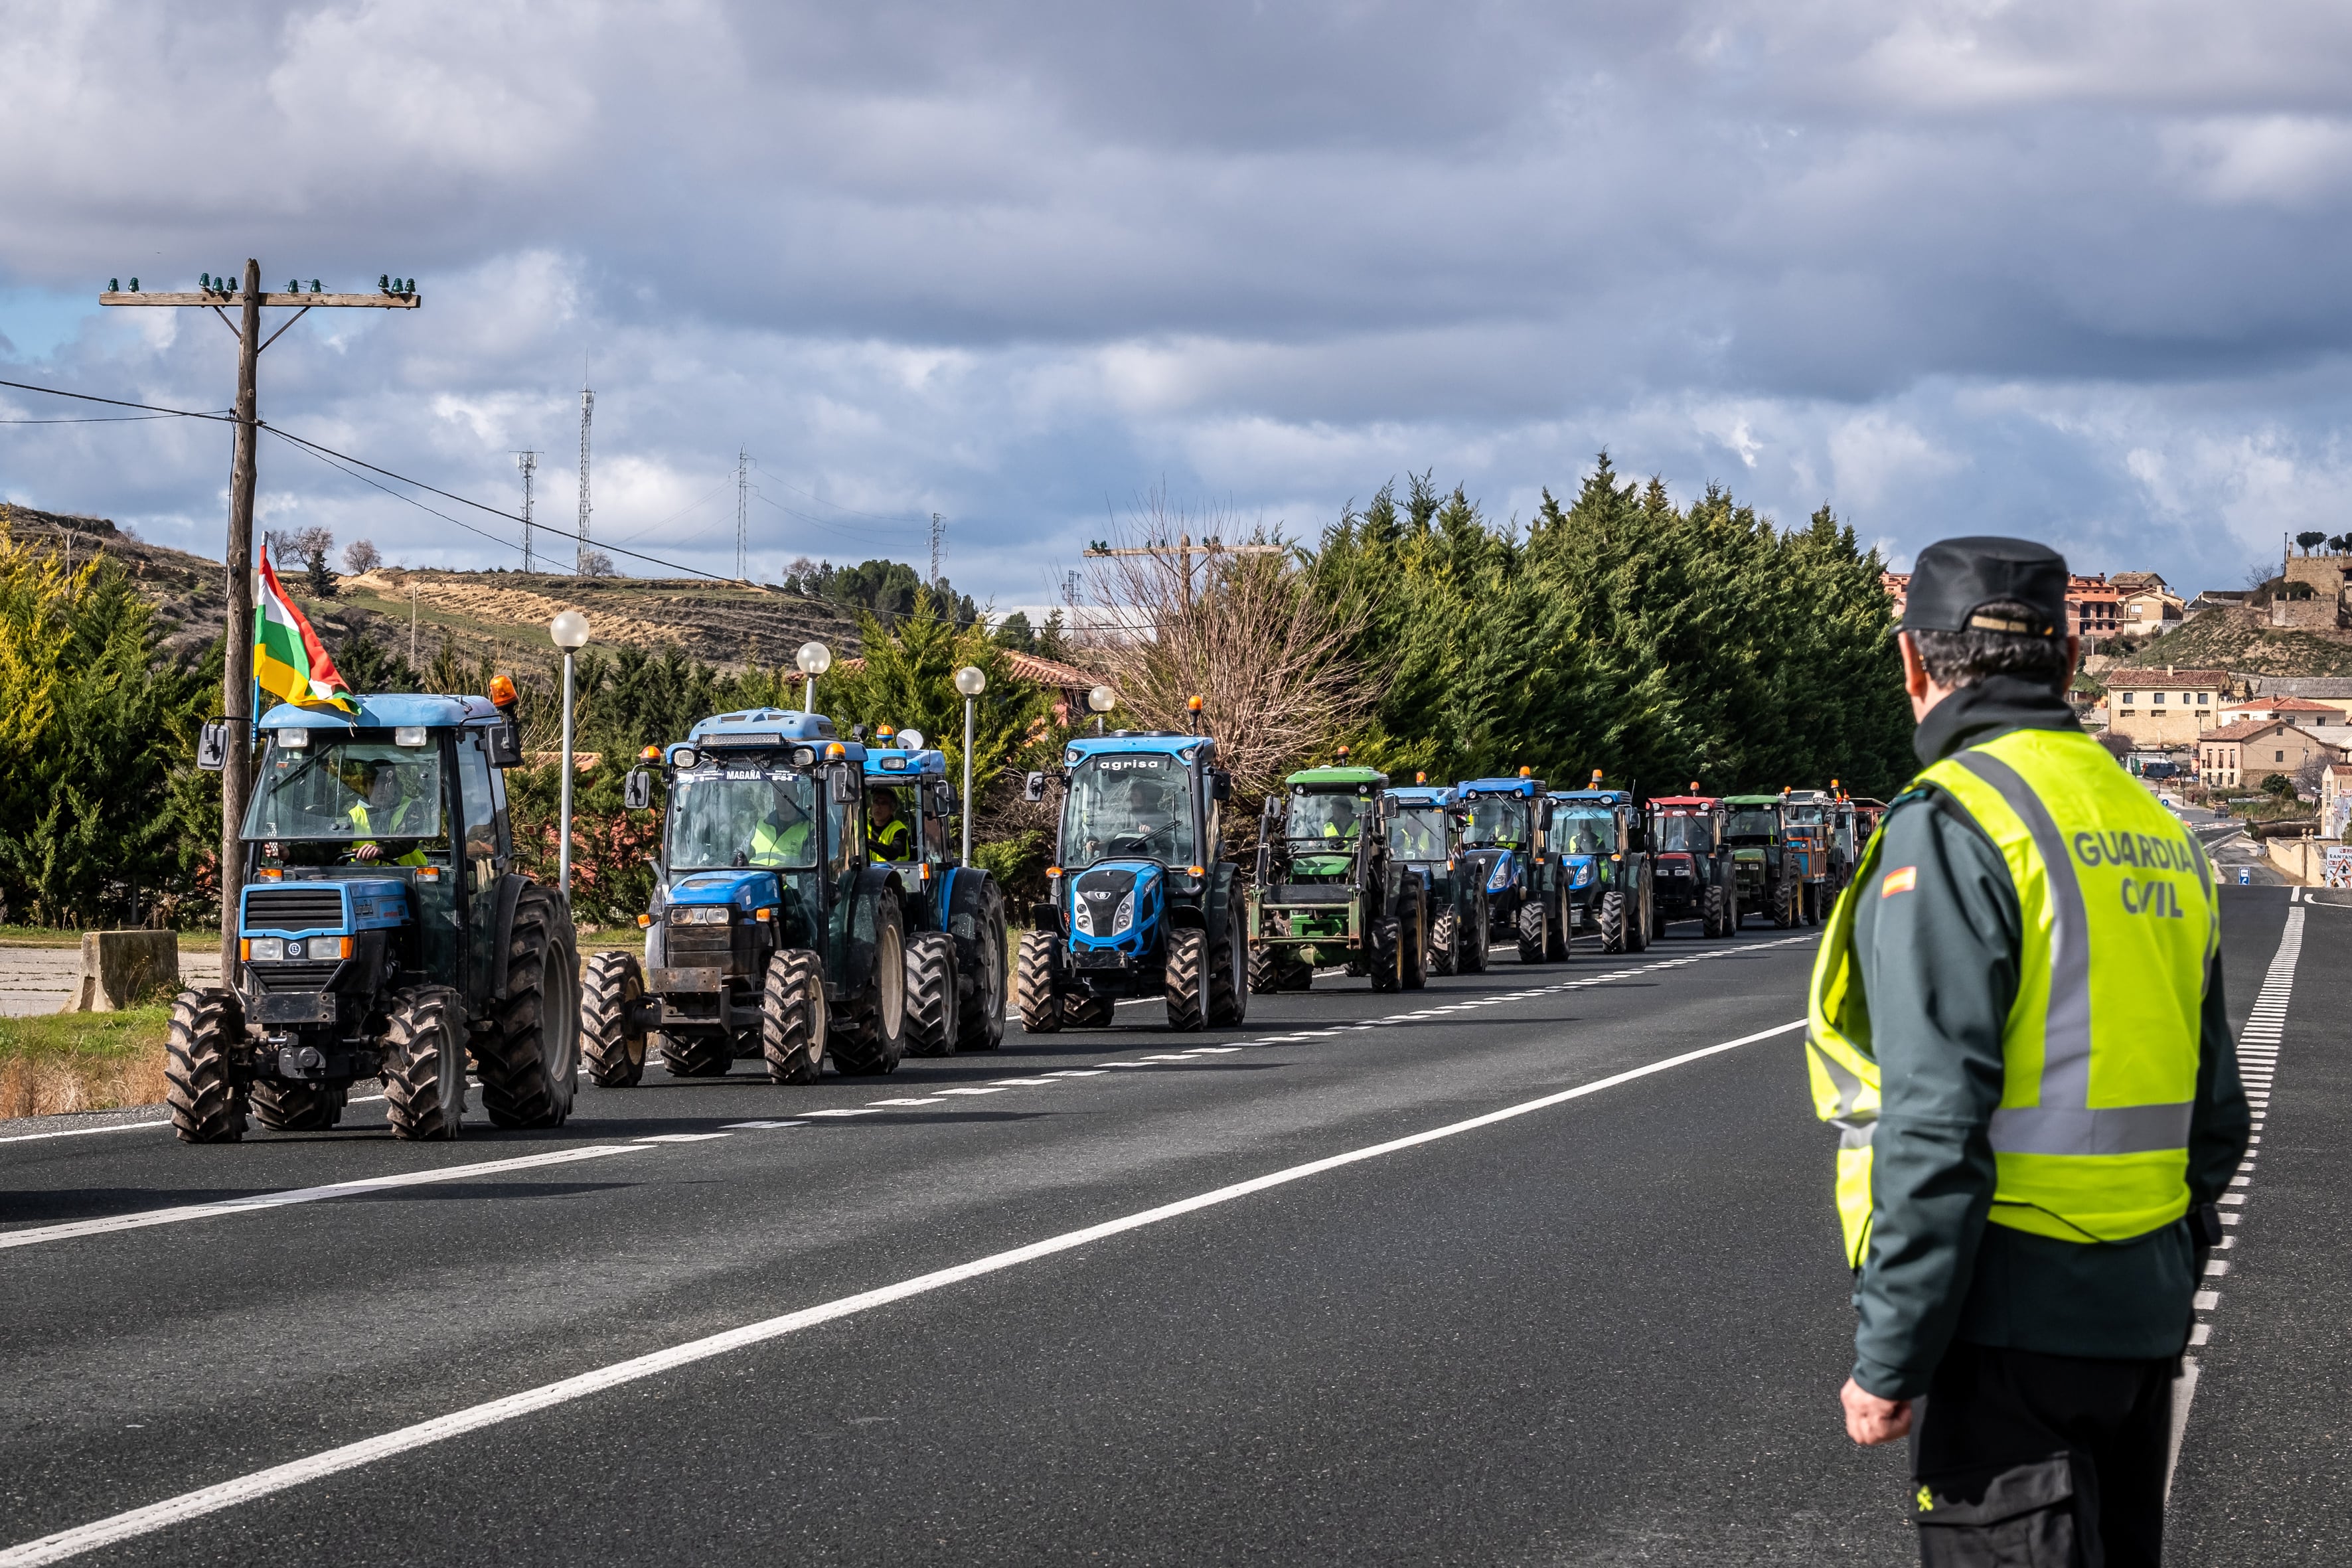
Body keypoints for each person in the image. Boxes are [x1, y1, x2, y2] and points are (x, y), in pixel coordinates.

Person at [1808, 537, 2248, 1565]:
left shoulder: (1956, 825)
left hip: (2006, 1326)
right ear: (2067, 663)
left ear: (1912, 665)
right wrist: (2158, 1281)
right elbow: (2213, 1115)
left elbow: (1933, 1117)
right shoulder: (2155, 828)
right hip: (2134, 1325)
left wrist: (1891, 1352)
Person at [349, 763, 430, 866]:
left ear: (395, 786)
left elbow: (408, 839)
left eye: (387, 783)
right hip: (366, 879)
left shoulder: (411, 806)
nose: (382, 790)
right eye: (374, 784)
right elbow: (331, 843)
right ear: (365, 787)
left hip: (411, 875)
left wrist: (382, 848)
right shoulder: (353, 816)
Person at [748, 789, 813, 867]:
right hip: (755, 877)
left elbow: (809, 870)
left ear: (796, 796)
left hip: (788, 878)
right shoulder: (760, 825)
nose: (780, 798)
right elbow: (739, 855)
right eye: (776, 794)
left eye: (785, 793)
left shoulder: (810, 829)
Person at [866, 786, 912, 862]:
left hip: (896, 872)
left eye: (883, 803)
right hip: (869, 872)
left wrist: (869, 843)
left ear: (892, 808)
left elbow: (893, 853)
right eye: (876, 802)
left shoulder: (899, 830)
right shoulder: (863, 826)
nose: (878, 806)